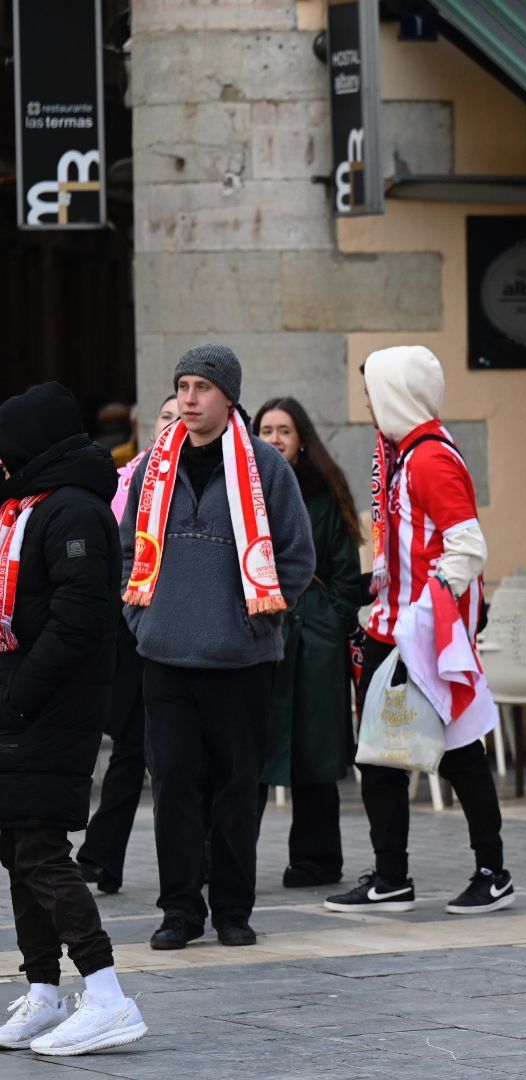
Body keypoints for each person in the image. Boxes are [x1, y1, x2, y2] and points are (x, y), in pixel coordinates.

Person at [121, 344, 316, 949]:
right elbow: (127, 552)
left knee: (236, 789)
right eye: (182, 385)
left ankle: (233, 908)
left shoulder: (265, 467)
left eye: (201, 387)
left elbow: (296, 558)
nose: (188, 398)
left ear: (228, 395)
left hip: (240, 661)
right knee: (175, 787)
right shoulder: (154, 465)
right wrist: (140, 621)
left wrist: (253, 624)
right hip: (165, 658)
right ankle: (179, 910)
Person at [324, 345, 511, 917]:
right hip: (395, 627)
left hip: (420, 633)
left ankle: (492, 872)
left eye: (372, 391)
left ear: (396, 395)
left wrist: (426, 615)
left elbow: (468, 547)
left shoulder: (429, 459)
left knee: (457, 754)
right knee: (380, 756)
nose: (367, 403)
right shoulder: (408, 454)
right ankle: (391, 877)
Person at [0, 383, 148, 1055]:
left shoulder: (75, 512)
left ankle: (109, 994)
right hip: (24, 702)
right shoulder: (30, 507)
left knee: (39, 849)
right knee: (17, 846)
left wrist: (18, 697)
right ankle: (45, 991)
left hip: (52, 706)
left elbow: (78, 621)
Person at [253, 397, 370, 889]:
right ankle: (225, 858)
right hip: (256, 638)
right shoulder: (242, 489)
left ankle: (316, 859)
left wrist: (327, 622)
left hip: (315, 642)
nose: (275, 439)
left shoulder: (325, 491)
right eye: (266, 430)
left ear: (302, 439)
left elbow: (347, 575)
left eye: (285, 430)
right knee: (247, 754)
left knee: (316, 752)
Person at [77, 395, 180, 894]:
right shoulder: (129, 475)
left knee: (175, 753)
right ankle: (102, 855)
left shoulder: (198, 479)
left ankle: (189, 858)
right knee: (132, 743)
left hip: (180, 630)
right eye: (164, 416)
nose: (171, 424)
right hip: (132, 627)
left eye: (179, 418)